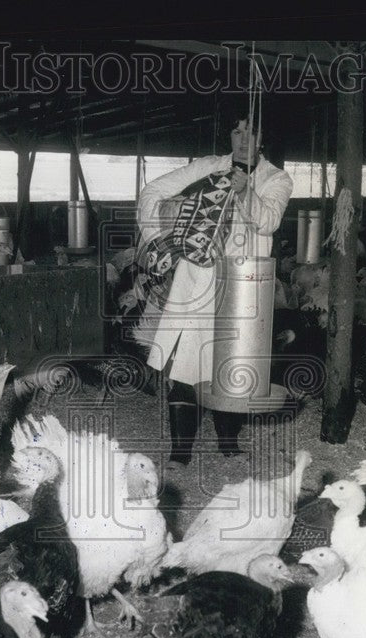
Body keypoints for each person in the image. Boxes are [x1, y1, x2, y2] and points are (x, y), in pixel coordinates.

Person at [134, 113, 293, 469]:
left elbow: (269, 221)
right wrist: (157, 240)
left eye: (252, 131)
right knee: (184, 366)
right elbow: (151, 191)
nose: (243, 138)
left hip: (242, 286)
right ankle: (180, 450)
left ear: (263, 139)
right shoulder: (207, 167)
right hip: (196, 281)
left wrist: (246, 191)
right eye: (237, 130)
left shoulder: (277, 179)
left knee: (233, 366)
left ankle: (228, 441)